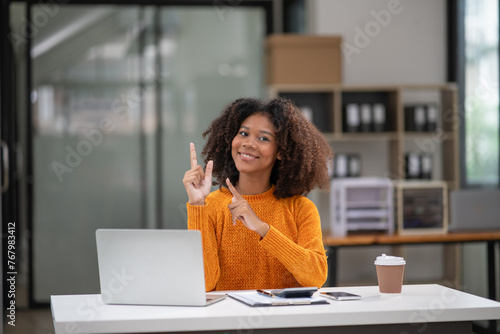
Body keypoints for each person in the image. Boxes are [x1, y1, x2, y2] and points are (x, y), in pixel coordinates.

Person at [182, 97, 333, 291]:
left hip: (285, 319)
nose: (248, 143)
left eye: (263, 138)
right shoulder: (210, 206)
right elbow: (204, 284)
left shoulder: (301, 209)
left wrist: (263, 229)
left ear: (281, 151)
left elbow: (316, 277)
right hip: (229, 319)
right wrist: (197, 206)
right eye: (243, 133)